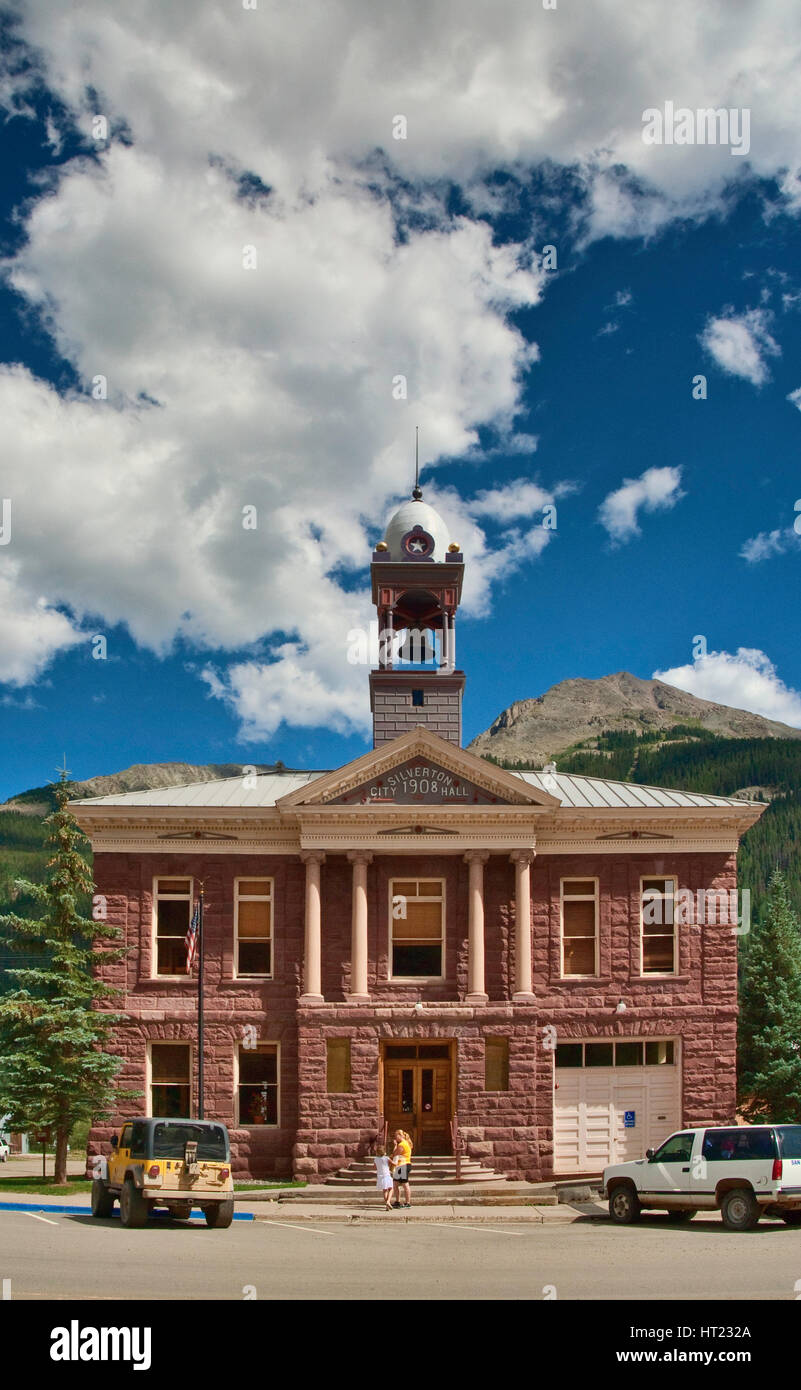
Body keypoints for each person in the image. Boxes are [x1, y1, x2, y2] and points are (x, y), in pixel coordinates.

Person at [390, 1129, 413, 1208]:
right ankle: (397, 1201)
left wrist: (395, 1145)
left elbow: (395, 1154)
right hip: (401, 1165)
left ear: (400, 1136)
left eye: (396, 1136)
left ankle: (408, 1202)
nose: (395, 1138)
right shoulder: (406, 1143)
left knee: (405, 1184)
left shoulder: (402, 1145)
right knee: (395, 1184)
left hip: (403, 1165)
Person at [372, 1144, 394, 1211]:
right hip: (387, 1175)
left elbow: (374, 1167)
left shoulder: (375, 1159)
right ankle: (388, 1201)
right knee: (391, 1188)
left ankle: (387, 1205)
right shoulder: (386, 1158)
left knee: (384, 1190)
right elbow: (393, 1163)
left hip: (380, 1176)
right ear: (384, 1152)